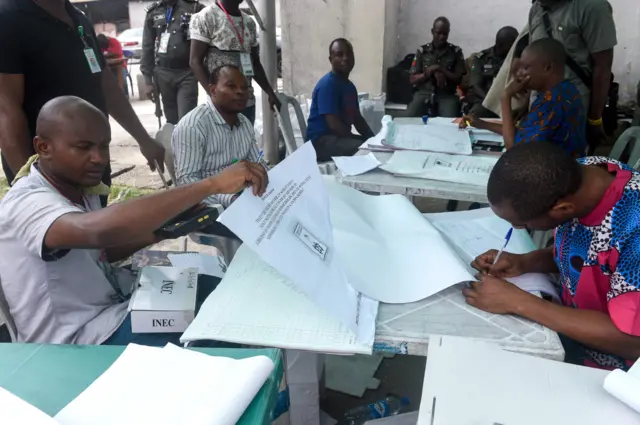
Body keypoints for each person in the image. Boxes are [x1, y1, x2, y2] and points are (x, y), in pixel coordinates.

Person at [0, 96, 267, 346]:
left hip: (114, 306)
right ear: (43, 147)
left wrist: (164, 231)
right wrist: (211, 184)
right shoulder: (28, 203)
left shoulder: (75, 187)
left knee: (216, 286)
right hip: (79, 340)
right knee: (213, 319)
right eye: (84, 147)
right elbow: (95, 231)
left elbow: (99, 251)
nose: (100, 158)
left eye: (103, 146)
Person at [466, 141, 640, 371]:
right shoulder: (583, 174)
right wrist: (525, 262)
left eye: (524, 223)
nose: (517, 229)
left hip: (614, 373)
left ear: (563, 209)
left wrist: (520, 302)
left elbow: (632, 342)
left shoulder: (633, 229)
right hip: (568, 331)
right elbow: (588, 253)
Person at [0, 0, 165, 196]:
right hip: (47, 175)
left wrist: (143, 138)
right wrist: (31, 188)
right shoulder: (8, 18)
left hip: (92, 165)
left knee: (97, 221)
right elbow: (5, 109)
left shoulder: (79, 19)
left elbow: (105, 84)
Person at [462, 39, 586, 158]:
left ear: (547, 68)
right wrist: (482, 124)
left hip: (557, 173)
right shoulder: (567, 89)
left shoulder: (550, 102)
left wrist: (505, 97)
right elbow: (524, 134)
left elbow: (514, 150)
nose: (519, 73)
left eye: (526, 67)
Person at [529, 0, 616, 151]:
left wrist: (595, 119)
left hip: (572, 106)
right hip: (539, 103)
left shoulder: (593, 7)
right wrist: (526, 105)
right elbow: (532, 58)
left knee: (566, 165)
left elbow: (602, 68)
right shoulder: (537, 8)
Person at [172, 64, 261, 211]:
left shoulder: (244, 123)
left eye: (245, 88)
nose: (240, 92)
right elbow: (188, 184)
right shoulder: (193, 126)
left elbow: (256, 163)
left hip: (245, 200)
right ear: (213, 90)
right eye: (231, 86)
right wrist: (229, 198)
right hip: (210, 210)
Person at [189, 0, 280, 124]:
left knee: (245, 140)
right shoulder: (206, 17)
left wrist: (270, 92)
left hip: (246, 101)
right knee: (222, 142)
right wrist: (214, 95)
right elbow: (195, 61)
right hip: (221, 104)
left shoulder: (249, 22)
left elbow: (254, 63)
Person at [305, 38, 374, 162]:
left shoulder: (349, 86)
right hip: (320, 143)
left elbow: (357, 118)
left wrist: (373, 138)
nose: (346, 58)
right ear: (331, 60)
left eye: (349, 54)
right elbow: (334, 124)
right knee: (363, 149)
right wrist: (357, 139)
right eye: (339, 54)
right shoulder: (327, 85)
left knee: (371, 146)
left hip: (337, 138)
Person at [141, 0, 205, 125]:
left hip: (186, 73)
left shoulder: (194, 7)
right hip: (163, 74)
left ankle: (186, 143)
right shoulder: (153, 12)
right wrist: (148, 81)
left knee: (187, 120)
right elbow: (147, 47)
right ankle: (175, 144)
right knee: (171, 120)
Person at [407, 17, 465, 118]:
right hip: (424, 93)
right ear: (432, 31)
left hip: (446, 96)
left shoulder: (456, 52)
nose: (442, 37)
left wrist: (440, 69)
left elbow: (459, 78)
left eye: (445, 33)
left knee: (450, 123)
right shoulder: (422, 51)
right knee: (409, 118)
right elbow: (412, 79)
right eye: (438, 33)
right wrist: (428, 73)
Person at [467, 27, 519, 118]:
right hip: (485, 101)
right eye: (513, 43)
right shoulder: (481, 58)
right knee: (473, 117)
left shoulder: (517, 58)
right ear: (501, 44)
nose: (516, 46)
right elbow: (476, 86)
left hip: (511, 102)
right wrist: (492, 103)